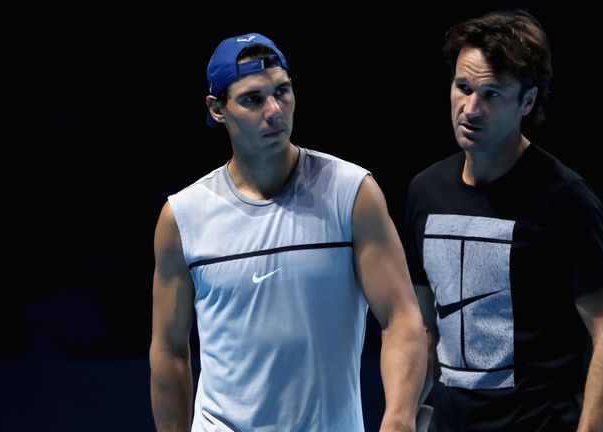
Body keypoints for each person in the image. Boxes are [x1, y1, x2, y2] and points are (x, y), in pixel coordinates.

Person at [149, 32, 426, 431]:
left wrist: (399, 418)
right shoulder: (183, 216)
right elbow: (170, 350)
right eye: (253, 99)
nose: (274, 110)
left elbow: (401, 317)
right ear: (217, 109)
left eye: (283, 91)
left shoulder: (351, 193)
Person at [404, 10, 603, 431]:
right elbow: (424, 326)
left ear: (527, 102)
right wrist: (400, 417)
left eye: (492, 95)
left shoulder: (564, 198)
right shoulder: (425, 191)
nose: (470, 108)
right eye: (463, 87)